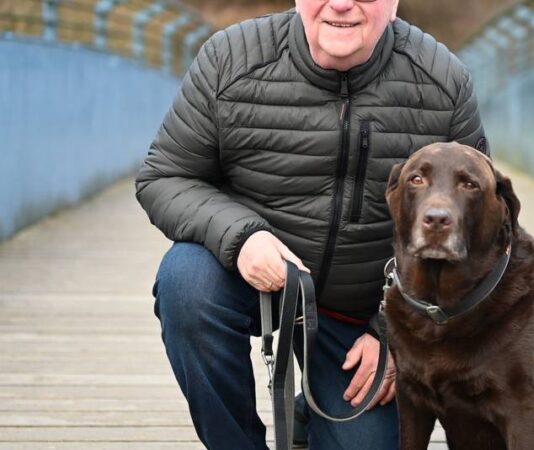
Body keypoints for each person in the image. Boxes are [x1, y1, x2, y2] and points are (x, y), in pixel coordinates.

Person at [135, 0, 488, 448]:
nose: (341, 4)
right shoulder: (230, 59)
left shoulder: (443, 82)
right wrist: (242, 237)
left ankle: (313, 408)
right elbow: (165, 175)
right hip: (258, 282)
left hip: (364, 314)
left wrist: (398, 334)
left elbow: (476, 233)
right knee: (186, 281)